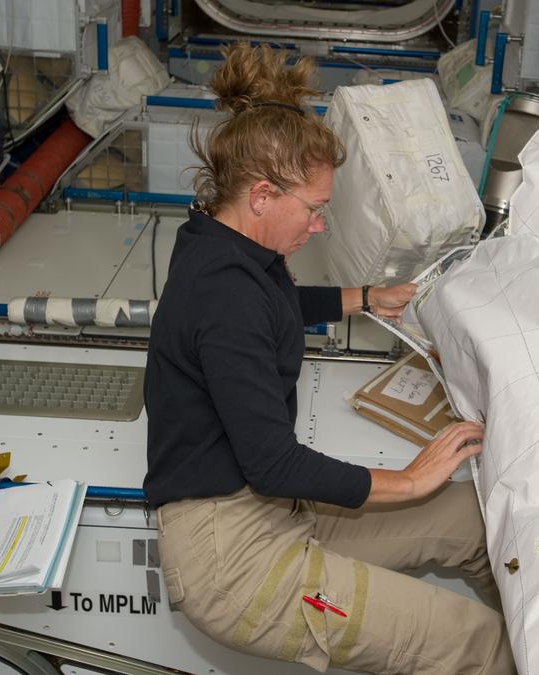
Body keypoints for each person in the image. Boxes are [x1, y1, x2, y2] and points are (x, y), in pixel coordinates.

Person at [144, 42, 515, 674]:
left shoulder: (218, 243)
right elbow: (274, 463)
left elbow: (276, 300)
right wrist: (409, 479)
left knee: (473, 526)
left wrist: (366, 297)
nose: (319, 228)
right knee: (473, 645)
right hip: (233, 558)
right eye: (314, 210)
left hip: (270, 512)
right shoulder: (223, 293)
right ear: (261, 195)